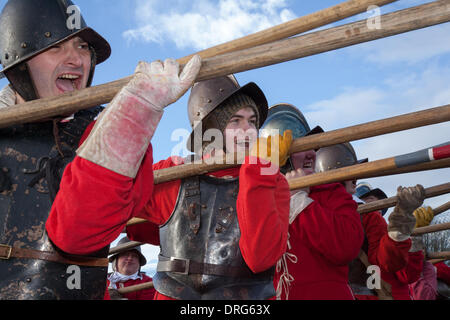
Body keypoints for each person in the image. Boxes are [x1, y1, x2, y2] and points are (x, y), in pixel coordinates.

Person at [51, 74, 292, 300]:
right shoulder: (173, 175)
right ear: (211, 130)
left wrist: (259, 173)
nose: (248, 131)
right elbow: (108, 214)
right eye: (235, 121)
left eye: (252, 121)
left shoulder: (273, 181)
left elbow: (261, 259)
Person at [0, 0, 112, 299]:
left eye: (82, 47)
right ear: (20, 65)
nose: (76, 60)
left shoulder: (103, 130)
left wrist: (135, 121)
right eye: (55, 47)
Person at [264, 103, 365, 300]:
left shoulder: (331, 190)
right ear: (280, 155)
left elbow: (347, 247)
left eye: (312, 146)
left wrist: (299, 201)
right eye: (301, 146)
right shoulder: (260, 197)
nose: (312, 153)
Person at [316, 146, 426, 300]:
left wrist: (401, 226)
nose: (356, 177)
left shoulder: (309, 211)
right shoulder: (309, 212)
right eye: (351, 172)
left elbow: (390, 264)